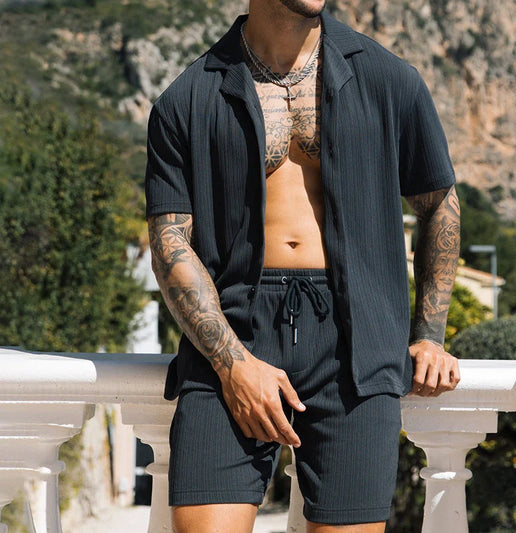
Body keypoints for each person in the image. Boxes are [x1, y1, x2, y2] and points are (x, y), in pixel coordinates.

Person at [144, 1, 461, 531]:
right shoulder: (188, 97)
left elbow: (439, 206)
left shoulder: (389, 80)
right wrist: (232, 364)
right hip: (232, 334)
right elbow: (169, 243)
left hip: (357, 346)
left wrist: (429, 334)